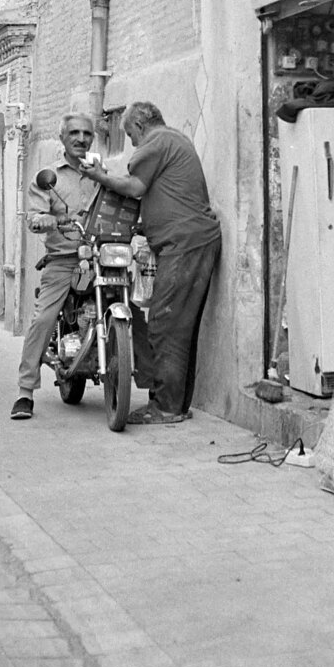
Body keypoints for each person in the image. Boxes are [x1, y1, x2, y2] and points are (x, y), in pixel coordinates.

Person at [80, 101, 221, 424]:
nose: (131, 142)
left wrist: (100, 176)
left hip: (185, 243)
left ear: (141, 126)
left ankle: (166, 408)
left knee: (165, 322)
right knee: (178, 325)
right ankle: (175, 405)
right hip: (192, 240)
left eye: (130, 134)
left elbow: (135, 187)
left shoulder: (155, 143)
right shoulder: (174, 140)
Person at [11, 113, 100, 420]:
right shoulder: (49, 177)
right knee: (43, 319)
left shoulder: (100, 172)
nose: (81, 138)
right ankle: (25, 391)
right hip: (64, 261)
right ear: (63, 138)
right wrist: (44, 219)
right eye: (74, 133)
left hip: (101, 258)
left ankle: (153, 382)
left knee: (138, 306)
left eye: (87, 133)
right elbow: (33, 217)